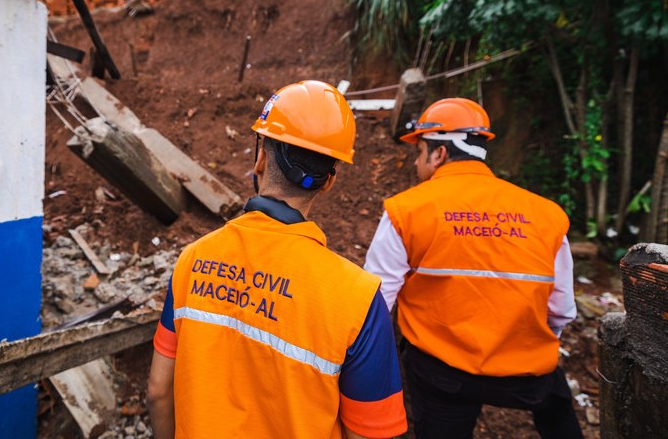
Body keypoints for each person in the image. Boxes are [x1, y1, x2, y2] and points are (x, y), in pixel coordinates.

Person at [147, 81, 407, 438]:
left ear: (261, 158)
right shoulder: (358, 300)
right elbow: (372, 432)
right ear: (328, 181)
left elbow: (159, 392)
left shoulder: (192, 261)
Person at [364, 97, 583, 438]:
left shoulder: (405, 211)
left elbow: (376, 304)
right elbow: (562, 310)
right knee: (558, 411)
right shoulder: (547, 215)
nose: (417, 163)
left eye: (419, 152)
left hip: (442, 373)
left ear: (439, 154)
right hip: (527, 373)